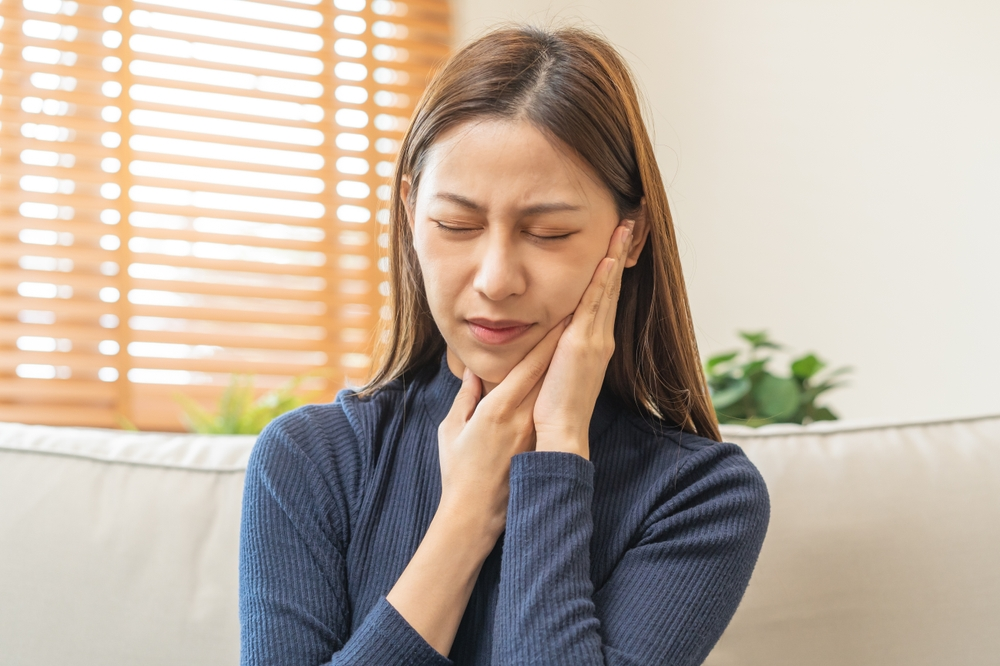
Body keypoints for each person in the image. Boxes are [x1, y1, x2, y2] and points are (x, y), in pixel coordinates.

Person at [239, 25, 769, 666]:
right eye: (456, 225)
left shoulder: (700, 496)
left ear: (628, 239)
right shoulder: (311, 459)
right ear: (410, 214)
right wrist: (466, 516)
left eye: (547, 233)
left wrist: (558, 451)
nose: (495, 279)